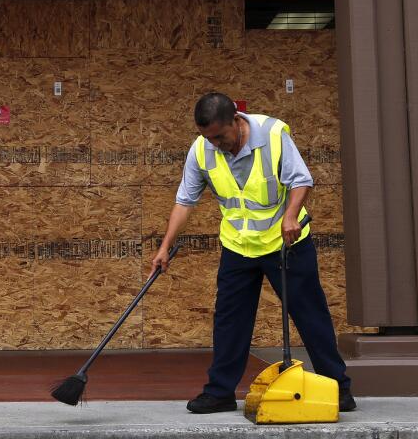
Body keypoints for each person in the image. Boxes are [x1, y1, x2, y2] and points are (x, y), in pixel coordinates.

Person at [150, 92, 355, 414]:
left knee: (309, 314)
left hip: (285, 244)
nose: (216, 143)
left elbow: (301, 180)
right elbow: (184, 200)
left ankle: (338, 387)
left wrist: (291, 216)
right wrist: (164, 247)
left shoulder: (273, 135)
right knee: (229, 321)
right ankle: (219, 392)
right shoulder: (202, 149)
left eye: (220, 136)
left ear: (236, 120)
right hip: (238, 245)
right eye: (208, 137)